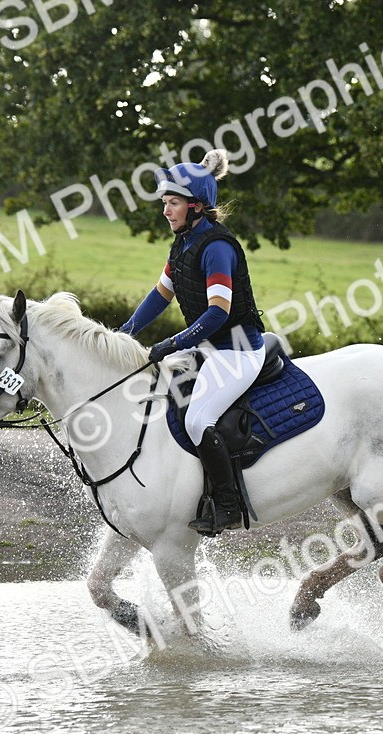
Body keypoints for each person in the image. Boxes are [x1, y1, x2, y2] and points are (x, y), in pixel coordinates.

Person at [118, 149, 266, 534]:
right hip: (208, 348)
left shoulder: (216, 247)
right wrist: (124, 333)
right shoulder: (183, 242)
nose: (166, 211)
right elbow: (160, 295)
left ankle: (228, 506)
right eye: (165, 203)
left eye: (173, 204)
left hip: (237, 350)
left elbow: (218, 311)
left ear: (196, 206)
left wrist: (172, 343)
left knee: (199, 420)